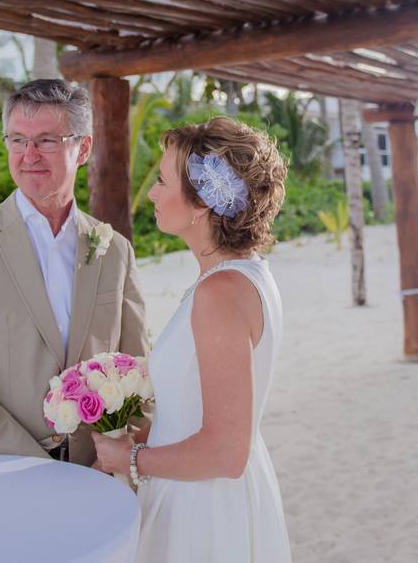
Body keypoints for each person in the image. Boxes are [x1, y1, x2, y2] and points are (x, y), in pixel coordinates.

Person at [91, 116, 291, 561]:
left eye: (162, 181)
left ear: (202, 203)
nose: (152, 193)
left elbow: (225, 452)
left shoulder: (220, 293)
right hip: (208, 491)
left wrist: (129, 459)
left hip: (203, 508)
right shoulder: (244, 275)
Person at [0, 79, 149, 467]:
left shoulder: (115, 251)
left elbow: (137, 371)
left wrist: (113, 457)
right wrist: (39, 469)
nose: (28, 155)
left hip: (95, 474)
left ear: (83, 148)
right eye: (16, 140)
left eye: (46, 140)